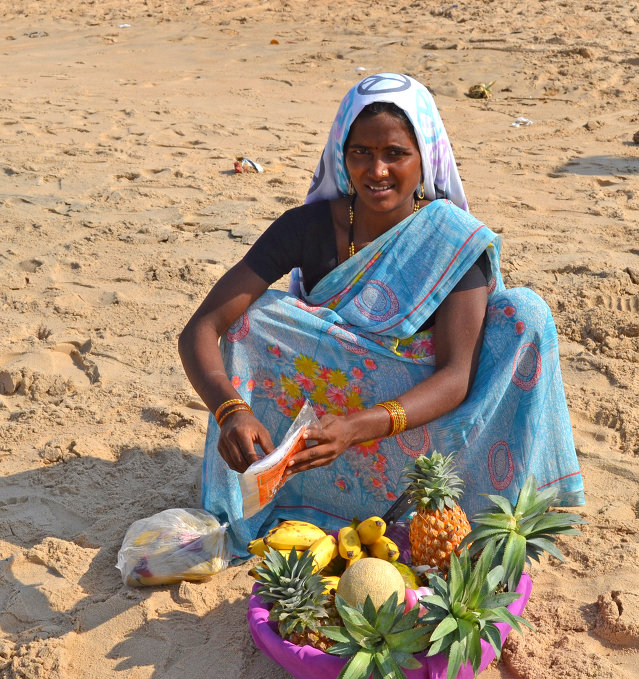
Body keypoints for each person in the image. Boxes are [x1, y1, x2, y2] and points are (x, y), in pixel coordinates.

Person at [179, 72, 584, 561]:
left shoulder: (452, 240)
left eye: (396, 153)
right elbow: (203, 328)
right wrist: (230, 410)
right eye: (361, 154)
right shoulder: (307, 227)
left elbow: (456, 378)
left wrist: (356, 427)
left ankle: (473, 515)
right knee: (255, 319)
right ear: (341, 156)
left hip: (423, 441)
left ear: (425, 157)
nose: (377, 171)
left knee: (525, 313)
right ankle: (282, 495)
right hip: (322, 443)